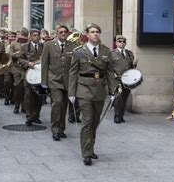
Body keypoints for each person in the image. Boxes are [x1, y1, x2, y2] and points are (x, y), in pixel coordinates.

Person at [68, 23, 118, 166]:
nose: (96, 34)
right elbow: (73, 73)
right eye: (93, 32)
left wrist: (113, 90)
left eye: (97, 32)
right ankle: (86, 153)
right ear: (87, 35)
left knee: (95, 121)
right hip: (84, 90)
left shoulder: (106, 51)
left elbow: (109, 71)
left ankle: (91, 147)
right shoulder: (79, 51)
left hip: (100, 90)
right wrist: (71, 92)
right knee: (87, 121)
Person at [41, 24, 78, 141]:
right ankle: (55, 129)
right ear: (57, 33)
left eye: (65, 32)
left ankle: (62, 128)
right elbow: (44, 64)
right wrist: (44, 82)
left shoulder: (73, 46)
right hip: (54, 80)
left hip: (67, 81)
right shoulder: (49, 45)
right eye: (60, 32)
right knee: (57, 103)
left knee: (64, 105)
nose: (63, 34)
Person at [18, 29, 43, 126]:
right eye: (35, 35)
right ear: (30, 37)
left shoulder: (44, 47)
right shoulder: (24, 47)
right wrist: (28, 63)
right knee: (28, 96)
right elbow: (19, 59)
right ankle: (29, 116)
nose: (37, 37)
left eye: (38, 35)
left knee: (40, 96)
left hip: (40, 75)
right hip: (28, 74)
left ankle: (36, 116)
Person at [110, 35, 137, 124]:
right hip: (117, 79)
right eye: (120, 41)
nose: (122, 43)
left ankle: (121, 115)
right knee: (118, 98)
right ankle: (117, 116)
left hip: (127, 80)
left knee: (125, 98)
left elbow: (132, 67)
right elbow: (109, 67)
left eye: (124, 41)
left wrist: (134, 64)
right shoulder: (112, 53)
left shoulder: (129, 53)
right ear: (116, 43)